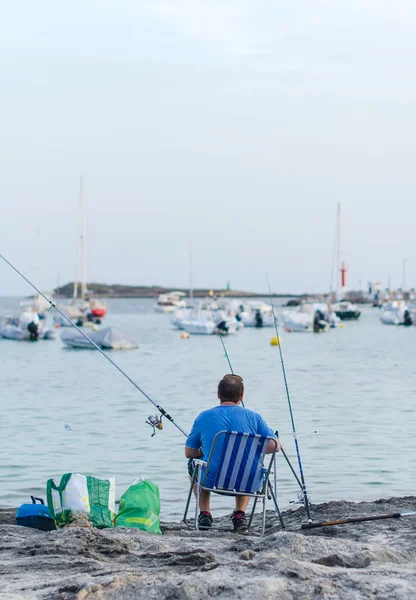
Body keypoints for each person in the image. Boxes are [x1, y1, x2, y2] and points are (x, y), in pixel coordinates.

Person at [185, 375, 280, 532]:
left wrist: (203, 450)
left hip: (212, 480)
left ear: (218, 394)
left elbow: (189, 452)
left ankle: (205, 513)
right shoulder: (255, 418)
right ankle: (240, 514)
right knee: (249, 463)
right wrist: (253, 447)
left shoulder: (204, 417)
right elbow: (275, 446)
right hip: (247, 482)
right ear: (241, 397)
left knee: (194, 463)